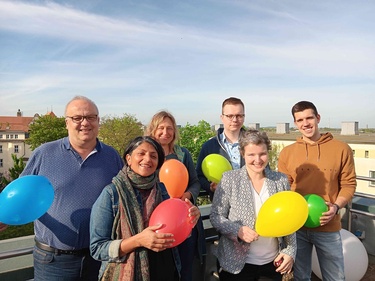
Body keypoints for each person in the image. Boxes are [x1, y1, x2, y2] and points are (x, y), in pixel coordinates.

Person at [20, 96, 124, 281]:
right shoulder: (44, 153)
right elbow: (22, 194)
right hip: (53, 261)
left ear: (98, 121)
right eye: (77, 118)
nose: (85, 123)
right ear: (67, 123)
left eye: (91, 117)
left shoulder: (111, 156)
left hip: (99, 259)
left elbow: (127, 195)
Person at [89, 136, 201, 281]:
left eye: (153, 156)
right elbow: (97, 248)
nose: (147, 159)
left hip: (165, 270)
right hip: (127, 272)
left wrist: (189, 219)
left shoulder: (163, 190)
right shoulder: (112, 194)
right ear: (129, 159)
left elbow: (174, 233)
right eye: (141, 154)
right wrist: (138, 241)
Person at [277, 100, 356, 281]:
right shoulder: (287, 153)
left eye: (309, 118)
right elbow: (283, 188)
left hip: (328, 226)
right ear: (295, 123)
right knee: (300, 277)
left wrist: (336, 207)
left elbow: (349, 184)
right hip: (297, 227)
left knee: (335, 277)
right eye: (300, 120)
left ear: (318, 118)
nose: (306, 123)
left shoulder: (341, 149)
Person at [210, 129, 296, 281]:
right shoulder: (230, 179)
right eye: (251, 155)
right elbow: (216, 216)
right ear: (243, 154)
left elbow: (289, 219)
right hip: (236, 265)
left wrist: (290, 250)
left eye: (262, 154)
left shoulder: (280, 181)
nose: (258, 159)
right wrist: (237, 230)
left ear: (268, 153)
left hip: (272, 263)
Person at [144, 110, 205, 281]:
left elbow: (195, 182)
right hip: (158, 221)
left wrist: (187, 194)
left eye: (169, 128)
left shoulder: (182, 154)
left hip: (183, 219)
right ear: (153, 130)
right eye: (160, 128)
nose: (165, 132)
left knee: (186, 269)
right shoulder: (146, 155)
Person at [196, 97, 246, 201]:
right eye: (230, 116)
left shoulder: (253, 144)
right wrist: (210, 187)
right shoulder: (210, 146)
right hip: (221, 205)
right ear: (222, 117)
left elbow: (265, 171)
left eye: (239, 115)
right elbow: (199, 175)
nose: (235, 120)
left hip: (250, 204)